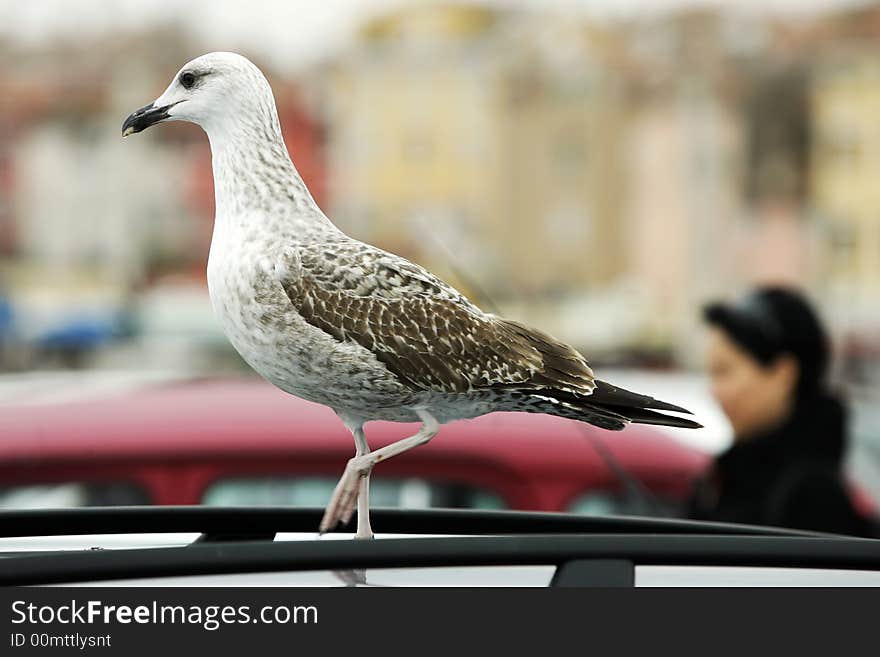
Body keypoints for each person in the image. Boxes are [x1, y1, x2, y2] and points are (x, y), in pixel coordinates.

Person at [687, 286, 873, 537]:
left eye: (724, 371)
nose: (713, 390)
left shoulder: (812, 497)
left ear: (783, 374)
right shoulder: (725, 478)